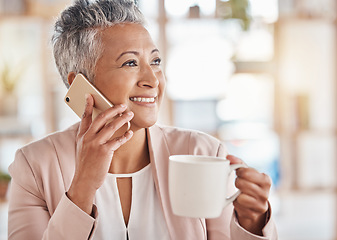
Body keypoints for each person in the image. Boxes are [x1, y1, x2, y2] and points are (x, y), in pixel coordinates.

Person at [7, 0, 278, 239]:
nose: (153, 80)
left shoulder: (201, 152)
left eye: (156, 61)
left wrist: (252, 223)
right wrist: (83, 186)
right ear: (80, 83)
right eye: (130, 63)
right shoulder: (34, 166)